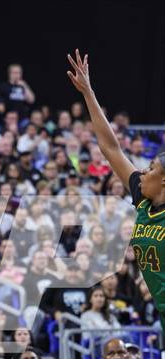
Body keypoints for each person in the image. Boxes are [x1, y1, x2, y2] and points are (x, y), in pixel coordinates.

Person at [67, 49, 165, 336]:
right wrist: (88, 93)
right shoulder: (143, 198)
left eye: (151, 169)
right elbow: (111, 148)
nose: (142, 172)